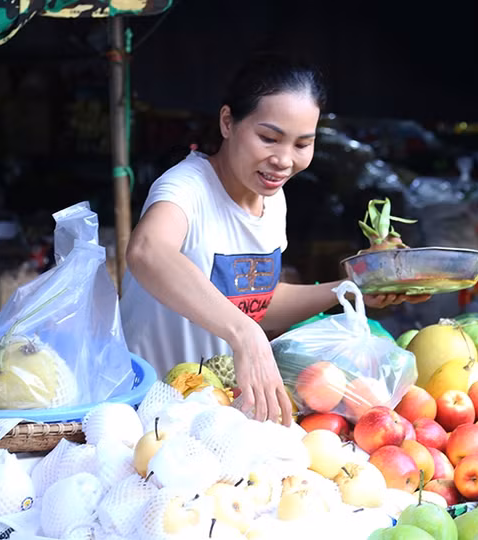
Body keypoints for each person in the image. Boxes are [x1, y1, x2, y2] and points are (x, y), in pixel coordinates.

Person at [120, 53, 428, 426]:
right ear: (228, 122)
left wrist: (350, 289)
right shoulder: (186, 187)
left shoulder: (273, 199)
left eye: (302, 144)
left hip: (216, 414)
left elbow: (256, 301)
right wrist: (244, 333)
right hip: (150, 412)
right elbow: (147, 251)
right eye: (269, 138)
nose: (284, 160)